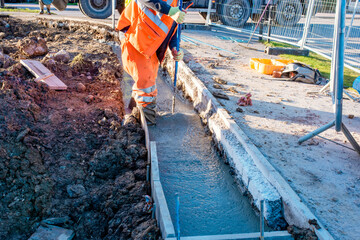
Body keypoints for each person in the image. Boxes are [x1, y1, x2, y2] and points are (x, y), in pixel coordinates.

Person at [116, 0, 186, 125]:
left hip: (150, 46)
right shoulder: (174, 5)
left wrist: (175, 48)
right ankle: (147, 124)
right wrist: (170, 11)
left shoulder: (180, 3)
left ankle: (133, 113)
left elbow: (174, 29)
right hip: (134, 38)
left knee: (148, 83)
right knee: (145, 84)